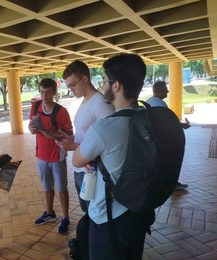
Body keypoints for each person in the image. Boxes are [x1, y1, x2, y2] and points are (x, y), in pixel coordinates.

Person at [72, 53, 155, 259]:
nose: (102, 85)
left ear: (116, 85)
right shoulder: (150, 119)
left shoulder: (103, 129)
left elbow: (77, 160)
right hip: (140, 210)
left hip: (108, 217)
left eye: (105, 80)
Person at [58, 60, 115, 213]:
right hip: (81, 169)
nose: (71, 89)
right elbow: (88, 135)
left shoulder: (101, 103)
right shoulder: (85, 101)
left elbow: (109, 143)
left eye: (73, 84)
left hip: (93, 172)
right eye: (68, 86)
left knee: (95, 214)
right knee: (87, 211)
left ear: (85, 79)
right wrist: (72, 139)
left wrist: (73, 146)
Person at [28, 78, 73, 234]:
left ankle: (66, 217)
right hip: (41, 154)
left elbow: (69, 135)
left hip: (57, 156)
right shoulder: (35, 106)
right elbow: (31, 124)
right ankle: (50, 213)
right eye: (41, 92)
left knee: (61, 188)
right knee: (46, 186)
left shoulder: (61, 112)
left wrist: (52, 134)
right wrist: (32, 129)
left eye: (47, 92)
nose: (44, 96)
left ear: (54, 92)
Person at [146, 81, 189, 190]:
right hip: (164, 140)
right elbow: (167, 122)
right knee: (172, 162)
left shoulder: (149, 101)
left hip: (154, 140)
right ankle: (172, 183)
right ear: (159, 90)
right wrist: (182, 125)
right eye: (165, 89)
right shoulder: (160, 104)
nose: (168, 91)